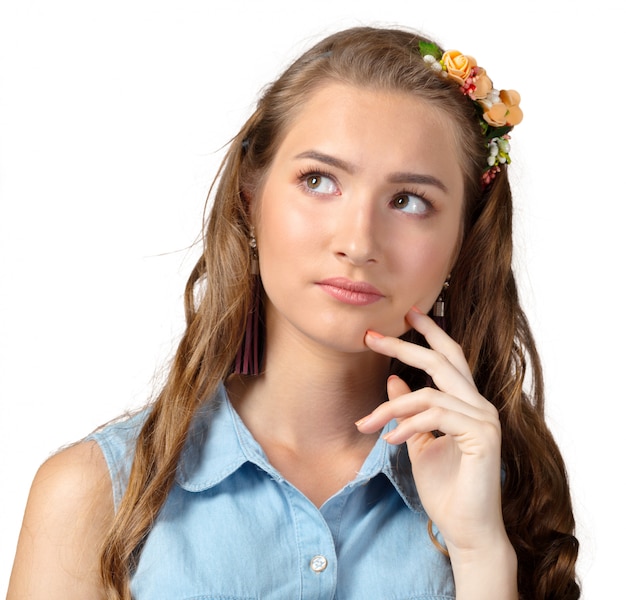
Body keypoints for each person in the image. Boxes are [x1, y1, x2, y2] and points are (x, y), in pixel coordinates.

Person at [7, 26, 580, 599]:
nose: (358, 242)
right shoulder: (92, 496)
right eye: (319, 180)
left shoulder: (506, 503)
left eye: (409, 201)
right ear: (249, 201)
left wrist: (479, 552)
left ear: (462, 241)